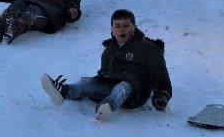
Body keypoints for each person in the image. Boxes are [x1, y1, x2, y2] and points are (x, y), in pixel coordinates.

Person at [41, 9, 172, 121]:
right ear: (112, 29)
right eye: (117, 26)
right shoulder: (110, 49)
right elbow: (104, 72)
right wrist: (98, 81)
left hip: (134, 91)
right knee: (89, 83)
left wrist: (162, 95)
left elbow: (160, 74)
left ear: (135, 27)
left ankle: (107, 106)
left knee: (123, 87)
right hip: (109, 85)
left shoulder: (148, 48)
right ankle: (64, 91)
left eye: (126, 25)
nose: (122, 29)